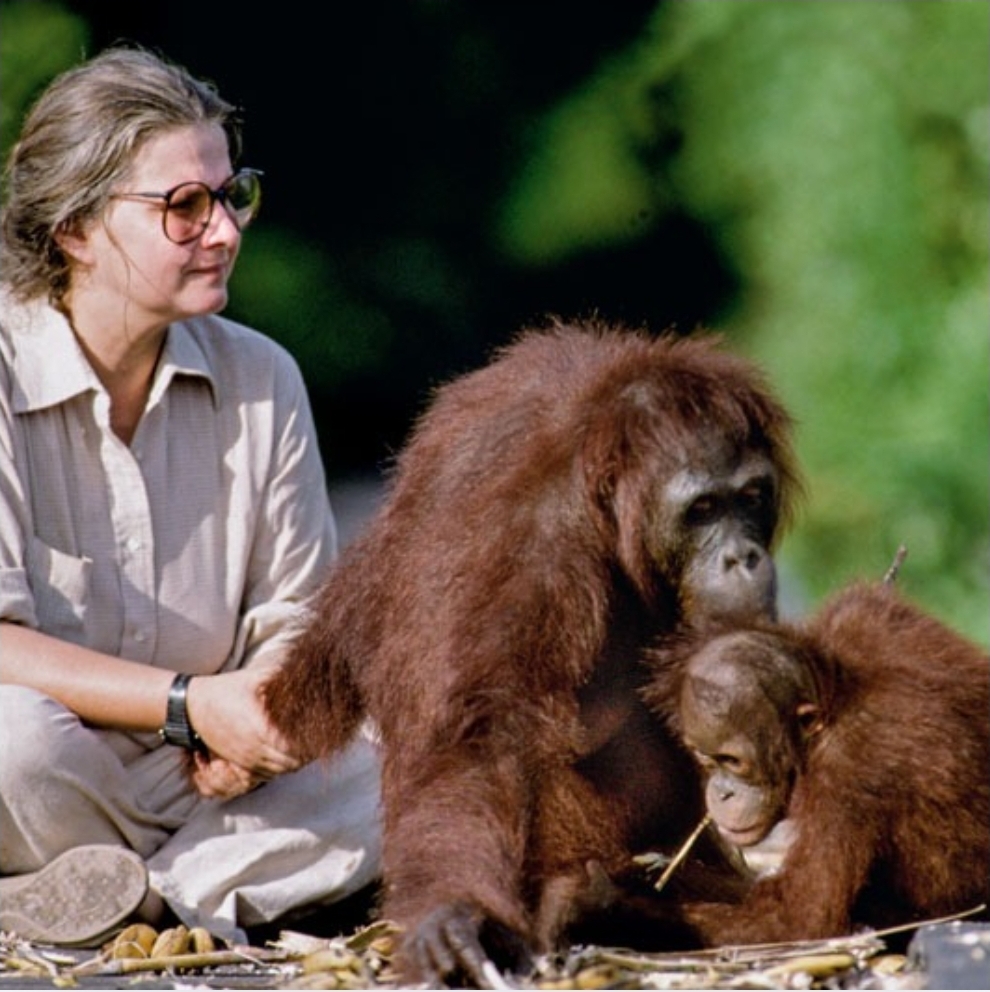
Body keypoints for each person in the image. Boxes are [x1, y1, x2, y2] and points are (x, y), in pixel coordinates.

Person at [0, 44, 382, 947]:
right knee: (10, 738)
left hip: (215, 780)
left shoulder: (265, 379)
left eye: (230, 194)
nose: (225, 230)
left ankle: (130, 902)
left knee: (400, 753)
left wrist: (260, 729)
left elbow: (303, 618)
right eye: (184, 207)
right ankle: (215, 890)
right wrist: (187, 704)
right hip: (53, 767)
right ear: (76, 229)